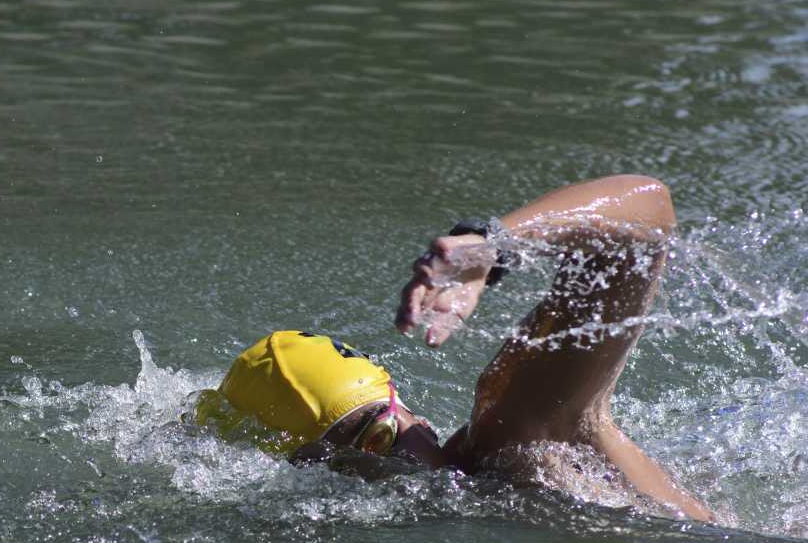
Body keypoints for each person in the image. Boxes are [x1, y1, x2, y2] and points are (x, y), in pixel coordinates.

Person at [215, 175, 715, 522]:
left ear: (404, 410)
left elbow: (648, 210)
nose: (380, 465)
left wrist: (494, 243)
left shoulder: (510, 435)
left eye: (375, 435)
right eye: (329, 467)